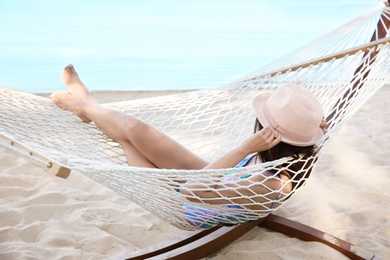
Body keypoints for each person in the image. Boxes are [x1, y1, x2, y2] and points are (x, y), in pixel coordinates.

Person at [51, 65, 327, 227]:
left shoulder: (269, 184)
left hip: (183, 205)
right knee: (135, 130)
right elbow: (316, 129)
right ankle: (90, 107)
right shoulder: (297, 151)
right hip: (213, 177)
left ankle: (86, 106)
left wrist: (245, 148)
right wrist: (315, 124)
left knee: (126, 139)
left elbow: (190, 191)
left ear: (272, 134)